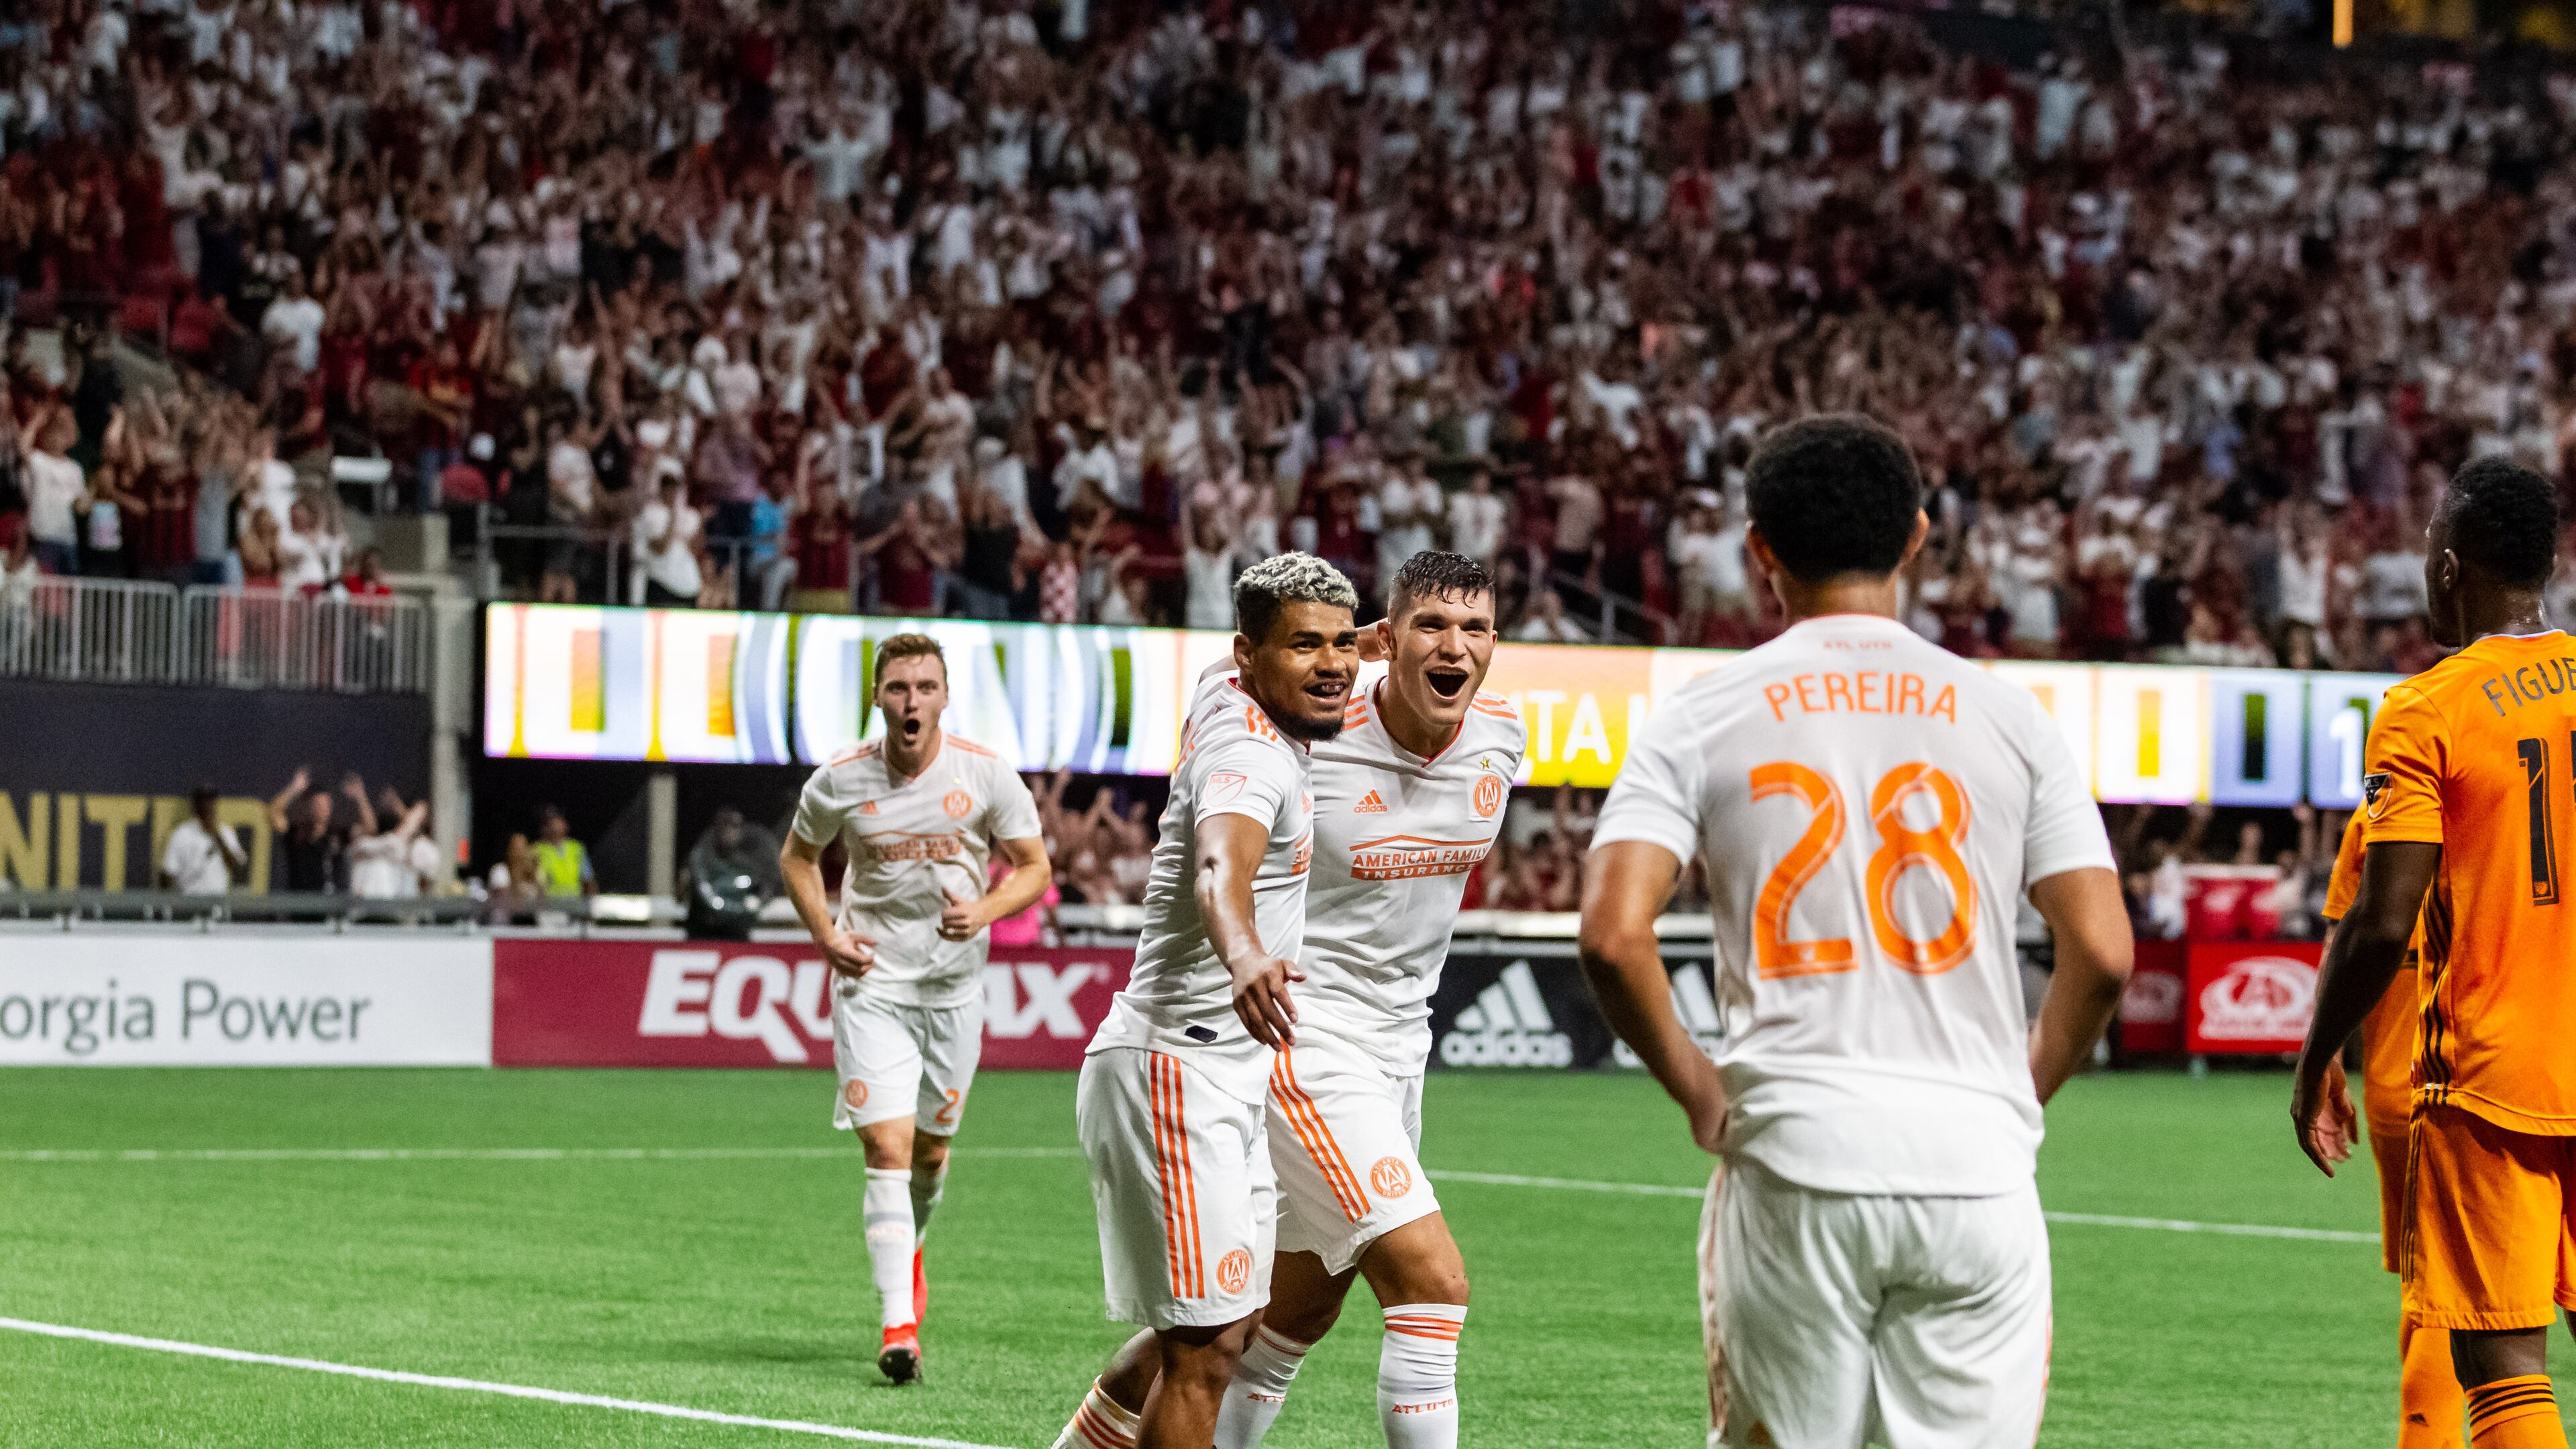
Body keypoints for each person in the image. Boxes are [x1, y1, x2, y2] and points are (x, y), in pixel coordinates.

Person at [1576, 415, 2133, 1449]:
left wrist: (1700, 1088)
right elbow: (2102, 952)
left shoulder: (1701, 713)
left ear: (1761, 551)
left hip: (1799, 1152)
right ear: (1919, 535)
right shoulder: (2012, 718)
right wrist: (2023, 1083)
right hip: (1977, 1167)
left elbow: (1613, 934)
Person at [1050, 551, 1523, 1449]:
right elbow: (1224, 831)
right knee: (1431, 1285)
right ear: (1391, 639)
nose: (1454, 647)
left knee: (1274, 1317)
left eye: (1474, 629)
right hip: (1300, 1038)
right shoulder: (1299, 729)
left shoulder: (1502, 734)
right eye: (1429, 625)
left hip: (1395, 1053)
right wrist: (1242, 953)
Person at [2294, 458, 2575, 1449]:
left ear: (2451, 567)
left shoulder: (2427, 709)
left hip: (2494, 1073)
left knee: (2501, 1363)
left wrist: (2316, 1049)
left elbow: (2380, 917)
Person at [1073, 553, 1359, 1449]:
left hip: (1221, 1071)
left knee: (1219, 1331)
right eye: (1306, 645)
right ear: (1248, 655)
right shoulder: (1249, 757)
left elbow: (1237, 668)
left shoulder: (1218, 693)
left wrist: (1364, 643)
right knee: (1202, 1350)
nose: (1335, 665)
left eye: (1346, 644)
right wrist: (1242, 952)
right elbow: (1217, 870)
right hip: (1177, 1067)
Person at [778, 633, 1053, 1384]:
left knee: (931, 1153)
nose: (911, 701)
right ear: (878, 697)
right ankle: (899, 1323)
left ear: (944, 696)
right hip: (874, 986)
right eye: (898, 687)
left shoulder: (986, 774)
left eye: (925, 687)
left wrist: (988, 909)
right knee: (888, 1150)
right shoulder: (839, 778)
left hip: (955, 989)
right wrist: (827, 933)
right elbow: (798, 857)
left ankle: (912, 1248)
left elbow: (1035, 867)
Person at [2312, 806, 2463, 1448]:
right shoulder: (2528, 785)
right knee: (2465, 1298)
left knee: (2430, 1288)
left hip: (2402, 1083)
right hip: (2506, 1077)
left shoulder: (2379, 811)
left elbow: (2350, 941)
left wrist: (2321, 1062)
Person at [682, 806, 782, 941]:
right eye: (724, 825)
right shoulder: (701, 856)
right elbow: (708, 898)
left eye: (734, 826)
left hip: (736, 934)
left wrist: (755, 904)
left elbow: (764, 888)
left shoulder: (747, 862)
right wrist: (742, 909)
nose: (729, 831)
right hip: (703, 933)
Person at [158, 785, 248, 894]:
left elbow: (238, 868)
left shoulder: (226, 832)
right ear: (195, 805)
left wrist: (217, 836)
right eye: (202, 801)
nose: (207, 806)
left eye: (210, 801)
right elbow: (168, 873)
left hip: (217, 903)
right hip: (189, 903)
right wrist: (173, 904)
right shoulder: (182, 834)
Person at [531, 806, 596, 898]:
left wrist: (591, 905)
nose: (556, 823)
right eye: (550, 821)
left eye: (557, 819)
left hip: (575, 903)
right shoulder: (536, 850)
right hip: (550, 904)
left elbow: (588, 880)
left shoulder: (576, 848)